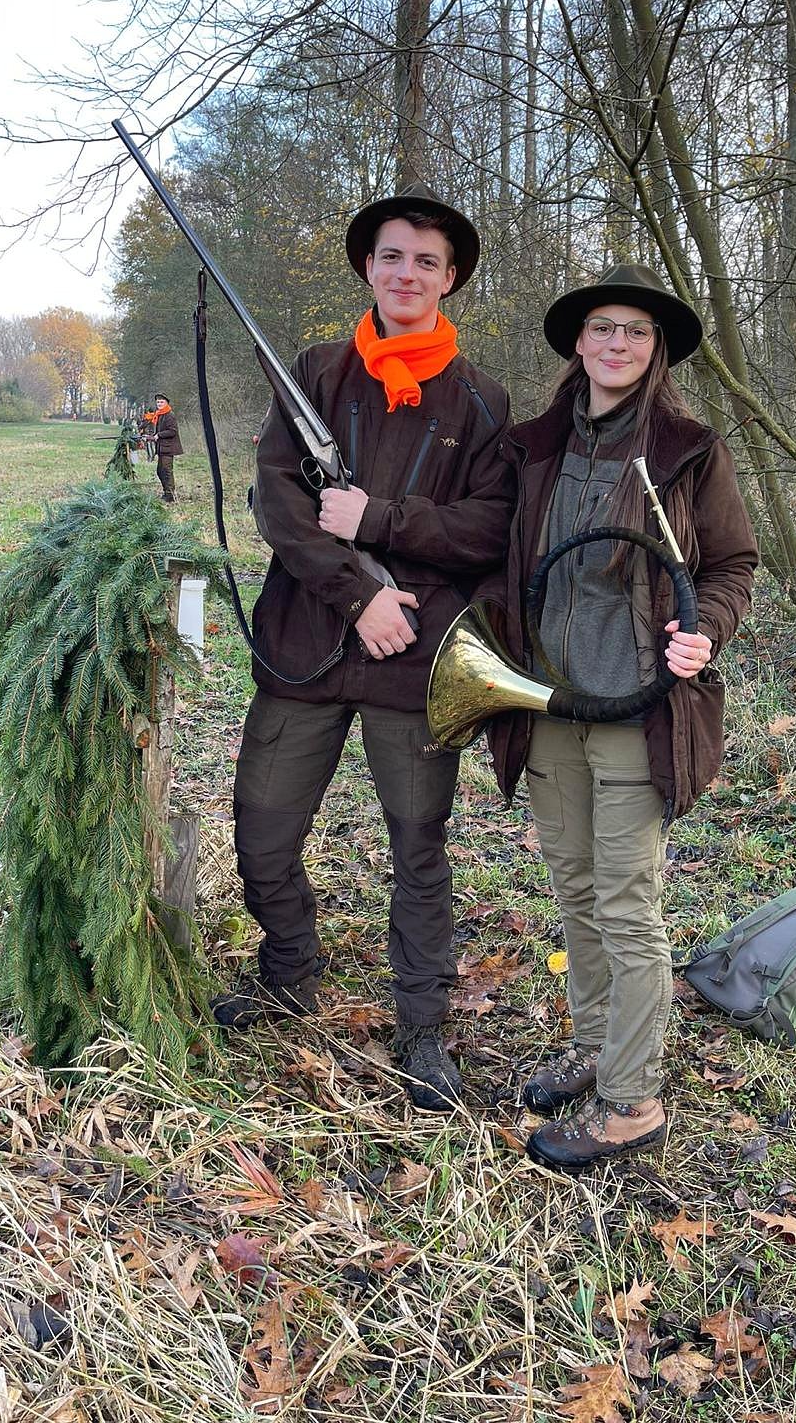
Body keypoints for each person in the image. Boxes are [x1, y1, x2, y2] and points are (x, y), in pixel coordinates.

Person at [214, 182, 515, 1113]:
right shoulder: (313, 370)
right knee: (262, 832)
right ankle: (288, 971)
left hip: (414, 659)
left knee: (418, 846)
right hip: (308, 642)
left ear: (449, 278)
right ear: (368, 268)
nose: (407, 274)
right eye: (392, 256)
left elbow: (489, 528)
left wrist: (386, 527)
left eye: (426, 261)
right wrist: (359, 596)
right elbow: (279, 501)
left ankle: (420, 1026)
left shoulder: (482, 401)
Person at [484, 264, 758, 1172]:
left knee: (626, 903)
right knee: (574, 888)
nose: (617, 343)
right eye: (602, 326)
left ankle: (634, 1100)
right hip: (548, 703)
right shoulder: (531, 445)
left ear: (656, 349)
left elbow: (732, 565)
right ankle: (597, 1046)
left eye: (636, 331)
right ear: (578, 340)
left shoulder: (689, 450)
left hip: (638, 710)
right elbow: (492, 551)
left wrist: (705, 632)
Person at [151, 394, 183, 500]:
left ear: (166, 403)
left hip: (168, 448)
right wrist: (151, 436)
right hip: (162, 448)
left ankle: (170, 495)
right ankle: (166, 492)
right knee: (160, 471)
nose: (159, 404)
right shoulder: (160, 414)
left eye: (162, 402)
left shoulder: (169, 415)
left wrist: (159, 435)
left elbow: (173, 431)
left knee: (166, 471)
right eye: (158, 402)